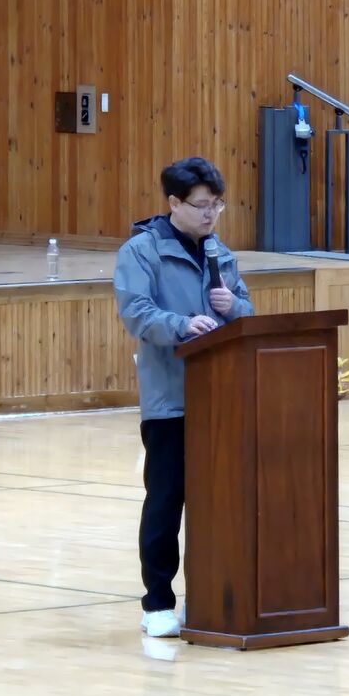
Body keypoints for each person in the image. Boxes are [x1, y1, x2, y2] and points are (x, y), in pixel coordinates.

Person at [114, 157, 254, 638]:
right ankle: (157, 603)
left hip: (221, 401)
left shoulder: (220, 253)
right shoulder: (141, 252)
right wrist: (182, 325)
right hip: (170, 400)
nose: (210, 213)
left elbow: (246, 310)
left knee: (217, 502)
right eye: (201, 205)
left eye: (217, 204)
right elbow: (137, 312)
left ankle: (209, 597)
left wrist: (234, 307)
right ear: (174, 203)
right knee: (166, 500)